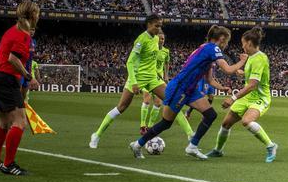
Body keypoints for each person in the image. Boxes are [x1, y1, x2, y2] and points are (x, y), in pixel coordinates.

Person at [132, 25, 248, 159]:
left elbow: (209, 80)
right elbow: (228, 70)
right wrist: (242, 61)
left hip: (190, 89)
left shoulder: (204, 49)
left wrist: (221, 88)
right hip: (180, 88)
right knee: (166, 123)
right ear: (221, 39)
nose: (226, 45)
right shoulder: (213, 48)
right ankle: (137, 144)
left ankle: (192, 146)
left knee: (210, 114)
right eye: (226, 41)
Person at [90, 16, 193, 148]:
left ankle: (191, 135)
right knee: (121, 107)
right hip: (137, 78)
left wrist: (160, 76)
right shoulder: (141, 40)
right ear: (149, 25)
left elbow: (152, 60)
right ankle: (97, 135)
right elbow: (130, 62)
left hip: (152, 78)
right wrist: (133, 82)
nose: (159, 28)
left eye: (160, 26)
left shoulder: (156, 39)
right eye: (156, 26)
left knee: (173, 102)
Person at [207, 28, 278, 162]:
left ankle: (271, 146)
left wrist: (232, 98)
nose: (242, 46)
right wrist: (243, 73)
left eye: (243, 43)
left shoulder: (259, 59)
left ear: (249, 43)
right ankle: (218, 150)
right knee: (226, 124)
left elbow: (252, 85)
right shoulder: (251, 57)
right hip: (247, 97)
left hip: (260, 98)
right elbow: (255, 76)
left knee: (247, 121)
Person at [0, 1, 40, 176]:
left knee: (4, 123)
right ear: (32, 15)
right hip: (5, 80)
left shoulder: (12, 30)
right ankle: (8, 164)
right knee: (20, 122)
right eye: (37, 13)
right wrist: (28, 77)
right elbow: (13, 59)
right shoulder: (23, 35)